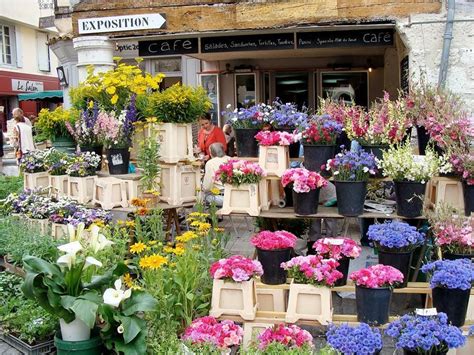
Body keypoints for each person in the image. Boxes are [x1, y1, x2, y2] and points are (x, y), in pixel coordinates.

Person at [202, 143, 229, 207]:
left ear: (211, 153)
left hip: (222, 198)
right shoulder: (231, 159)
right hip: (234, 196)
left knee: (205, 196)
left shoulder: (210, 163)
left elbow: (207, 187)